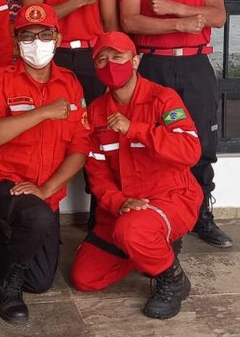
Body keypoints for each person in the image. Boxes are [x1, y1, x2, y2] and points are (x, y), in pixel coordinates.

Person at [118, 0, 232, 248]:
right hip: (153, 63)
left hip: (195, 63)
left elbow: (217, 16)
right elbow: (130, 20)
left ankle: (200, 214)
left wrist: (173, 8)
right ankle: (162, 214)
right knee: (155, 139)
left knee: (199, 141)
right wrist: (180, 24)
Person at [0, 4, 90, 325]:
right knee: (35, 217)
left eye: (45, 35)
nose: (37, 43)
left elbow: (80, 146)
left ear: (58, 38)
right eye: (28, 36)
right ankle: (7, 287)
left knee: (39, 282)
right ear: (16, 41)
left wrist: (47, 188)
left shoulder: (71, 84)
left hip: (42, 188)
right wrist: (41, 112)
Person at [69, 31, 202, 319]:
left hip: (170, 198)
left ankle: (172, 280)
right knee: (85, 278)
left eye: (118, 57)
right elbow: (97, 172)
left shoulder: (163, 99)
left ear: (136, 61)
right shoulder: (95, 113)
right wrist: (119, 204)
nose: (110, 64)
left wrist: (136, 129)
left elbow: (190, 151)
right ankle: (149, 247)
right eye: (102, 59)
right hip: (123, 208)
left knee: (132, 231)